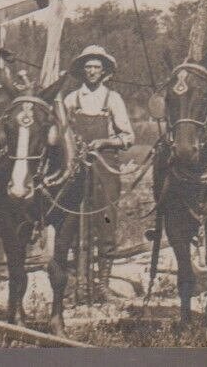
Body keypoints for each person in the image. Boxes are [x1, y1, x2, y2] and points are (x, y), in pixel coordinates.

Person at [63, 45, 134, 301]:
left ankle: (102, 285)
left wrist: (104, 143)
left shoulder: (112, 99)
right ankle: (78, 285)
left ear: (104, 70)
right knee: (73, 222)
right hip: (76, 167)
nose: (92, 71)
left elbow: (128, 137)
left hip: (105, 167)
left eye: (96, 67)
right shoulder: (72, 99)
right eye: (88, 67)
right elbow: (61, 130)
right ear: (82, 70)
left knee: (105, 221)